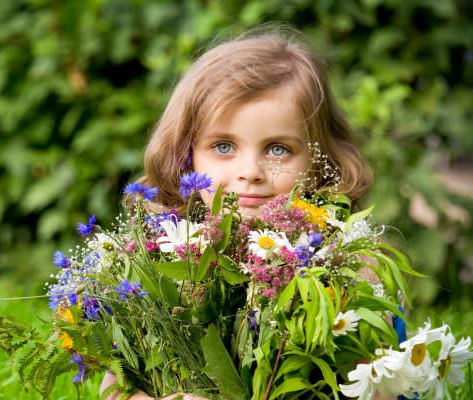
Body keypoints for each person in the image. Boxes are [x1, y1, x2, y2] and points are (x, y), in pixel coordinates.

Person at [100, 26, 390, 400]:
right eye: (223, 146)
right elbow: (116, 386)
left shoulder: (346, 269)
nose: (250, 171)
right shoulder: (163, 262)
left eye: (278, 149)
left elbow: (376, 387)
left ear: (318, 164)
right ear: (185, 157)